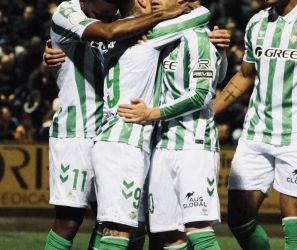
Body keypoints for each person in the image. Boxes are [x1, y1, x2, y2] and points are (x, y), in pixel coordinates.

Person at [44, 0, 198, 249]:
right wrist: (163, 14)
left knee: (117, 221)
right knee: (70, 221)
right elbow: (107, 33)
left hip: (110, 128)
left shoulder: (120, 16)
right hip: (77, 130)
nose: (114, 6)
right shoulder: (68, 11)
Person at [211, 0, 297, 249]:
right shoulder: (256, 22)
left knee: (294, 227)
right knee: (238, 220)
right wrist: (209, 112)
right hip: (255, 135)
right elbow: (245, 75)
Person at [90, 0, 214, 248]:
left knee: (128, 227)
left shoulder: (110, 35)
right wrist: (179, 9)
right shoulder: (150, 36)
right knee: (117, 230)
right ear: (141, 3)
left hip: (118, 139)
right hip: (124, 141)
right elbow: (201, 14)